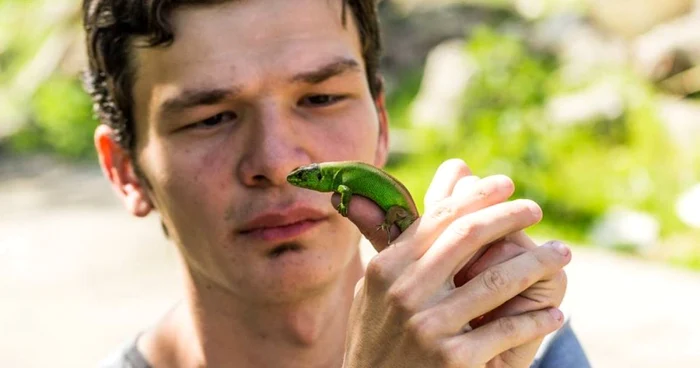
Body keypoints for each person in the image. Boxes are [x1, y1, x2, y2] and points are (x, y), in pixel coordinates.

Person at [82, 0, 591, 367]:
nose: (277, 163)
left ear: (382, 125)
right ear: (125, 170)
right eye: (211, 118)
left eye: (321, 98)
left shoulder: (526, 352)